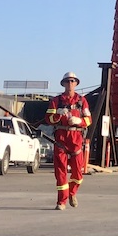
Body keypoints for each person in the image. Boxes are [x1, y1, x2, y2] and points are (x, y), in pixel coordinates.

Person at [45, 71, 92, 211]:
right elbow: (49, 119)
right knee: (60, 173)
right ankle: (62, 201)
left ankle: (72, 193)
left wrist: (80, 121)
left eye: (73, 81)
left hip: (76, 140)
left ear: (76, 83)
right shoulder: (56, 101)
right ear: (63, 83)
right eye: (68, 81)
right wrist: (58, 115)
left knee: (78, 173)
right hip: (61, 140)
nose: (70, 84)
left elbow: (89, 120)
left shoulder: (81, 101)